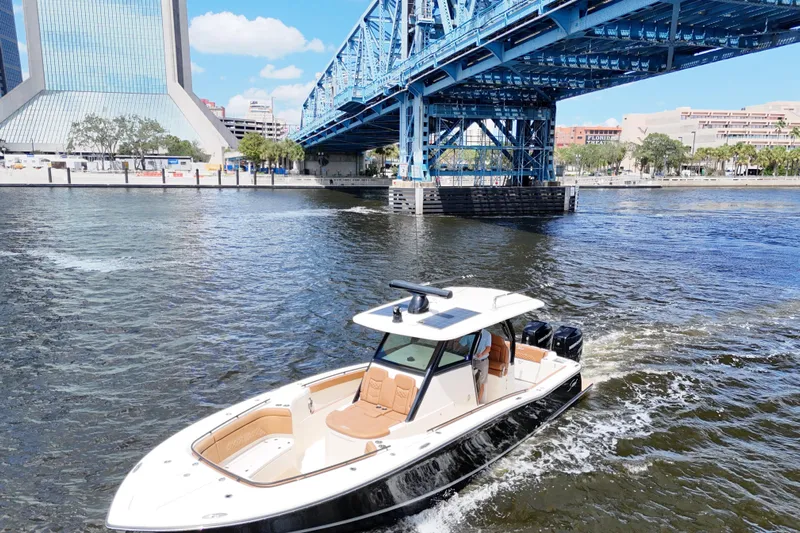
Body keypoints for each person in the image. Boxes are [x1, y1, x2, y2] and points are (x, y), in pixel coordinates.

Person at [472, 329, 491, 404]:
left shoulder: (487, 334)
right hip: (471, 360)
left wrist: (482, 354)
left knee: (481, 383)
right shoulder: (471, 332)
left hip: (482, 361)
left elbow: (488, 348)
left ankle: (477, 403)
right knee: (471, 381)